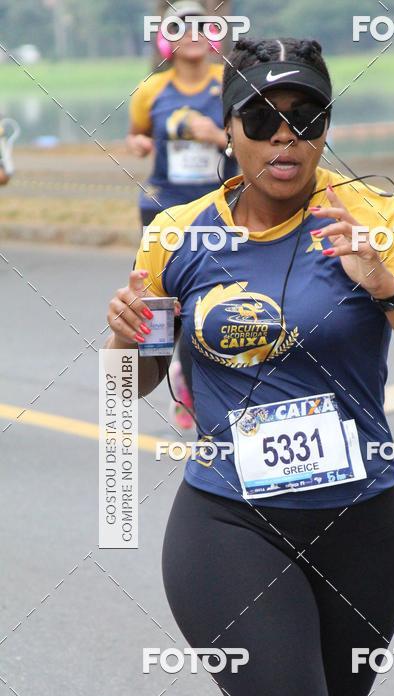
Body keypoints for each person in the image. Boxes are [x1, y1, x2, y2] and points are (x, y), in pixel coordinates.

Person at [106, 37, 394, 696]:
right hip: (228, 527)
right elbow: (137, 383)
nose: (286, 136)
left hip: (362, 532)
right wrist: (126, 340)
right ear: (229, 130)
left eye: (306, 118)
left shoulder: (375, 220)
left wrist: (389, 289)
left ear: (325, 128)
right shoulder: (175, 237)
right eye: (263, 118)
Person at [127, 0, 237, 428]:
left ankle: (196, 388)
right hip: (162, 208)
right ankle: (155, 371)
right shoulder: (150, 91)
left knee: (203, 304)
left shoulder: (228, 83)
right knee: (158, 304)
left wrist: (217, 137)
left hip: (217, 209)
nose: (191, 35)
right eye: (180, 28)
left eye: (200, 26)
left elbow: (249, 138)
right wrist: (139, 144)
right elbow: (136, 133)